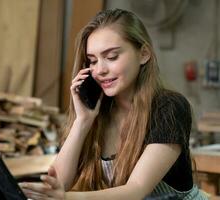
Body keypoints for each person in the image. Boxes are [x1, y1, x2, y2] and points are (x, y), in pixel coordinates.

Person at [20, 8, 208, 200]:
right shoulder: (100, 110)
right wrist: (82, 122)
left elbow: (137, 190)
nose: (99, 70)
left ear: (143, 54)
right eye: (92, 61)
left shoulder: (169, 107)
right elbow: (58, 184)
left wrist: (67, 198)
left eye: (111, 57)